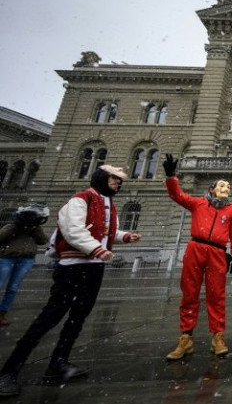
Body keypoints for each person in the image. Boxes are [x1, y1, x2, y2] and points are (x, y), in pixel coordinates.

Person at [0, 165, 142, 397]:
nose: (118, 184)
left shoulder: (107, 203)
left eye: (119, 181)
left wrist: (124, 236)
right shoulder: (80, 199)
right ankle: (8, 372)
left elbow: (103, 231)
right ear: (102, 178)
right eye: (115, 179)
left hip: (93, 267)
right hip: (72, 267)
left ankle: (58, 363)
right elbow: (73, 230)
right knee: (48, 318)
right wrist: (97, 249)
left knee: (77, 318)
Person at [163, 154, 232, 361]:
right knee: (189, 293)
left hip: (217, 253)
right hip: (195, 248)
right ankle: (186, 338)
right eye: (222, 186)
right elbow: (176, 195)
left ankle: (218, 337)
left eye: (229, 187)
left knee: (217, 295)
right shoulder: (198, 204)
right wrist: (171, 176)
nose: (227, 189)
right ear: (212, 189)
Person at [0, 203, 49, 326]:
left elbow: (43, 240)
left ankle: (2, 313)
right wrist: (17, 227)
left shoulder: (35, 228)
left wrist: (34, 228)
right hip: (8, 257)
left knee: (13, 287)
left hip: (26, 259)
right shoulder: (12, 226)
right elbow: (1, 237)